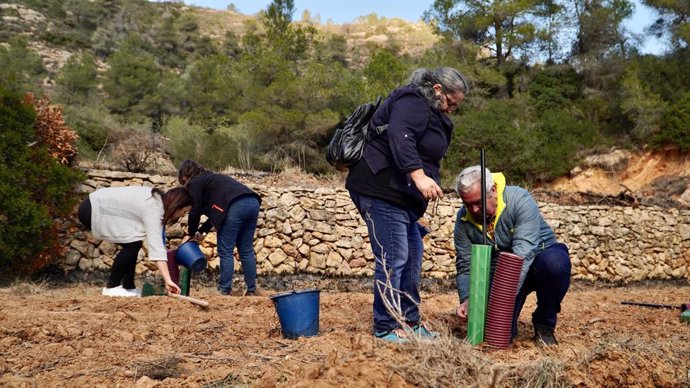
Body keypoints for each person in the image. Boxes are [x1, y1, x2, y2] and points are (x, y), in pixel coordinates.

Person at [346, 67, 469, 343]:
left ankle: (410, 323)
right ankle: (386, 326)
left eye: (455, 106)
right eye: (450, 102)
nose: (451, 109)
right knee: (394, 258)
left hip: (402, 198)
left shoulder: (431, 111)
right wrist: (418, 175)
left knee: (412, 258)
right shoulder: (412, 99)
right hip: (381, 189)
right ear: (437, 89)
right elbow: (401, 134)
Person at [453, 166, 572, 345]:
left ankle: (544, 323)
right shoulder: (463, 220)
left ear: (493, 190)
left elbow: (522, 253)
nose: (474, 210)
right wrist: (468, 299)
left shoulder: (520, 200)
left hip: (536, 260)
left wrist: (499, 301)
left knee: (555, 264)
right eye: (467, 204)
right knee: (496, 336)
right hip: (501, 272)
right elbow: (465, 264)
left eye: (478, 202)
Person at [77, 186, 191, 297]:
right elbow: (156, 248)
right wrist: (168, 280)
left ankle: (128, 287)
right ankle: (111, 287)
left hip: (95, 203)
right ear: (177, 205)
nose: (183, 215)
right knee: (131, 246)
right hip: (94, 208)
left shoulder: (156, 200)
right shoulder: (155, 209)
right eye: (184, 211)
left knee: (133, 243)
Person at [177, 160, 262, 296]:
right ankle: (252, 290)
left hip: (235, 205)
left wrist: (191, 233)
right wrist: (201, 231)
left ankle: (224, 290)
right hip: (252, 201)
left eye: (183, 182)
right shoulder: (211, 180)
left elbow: (195, 210)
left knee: (225, 250)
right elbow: (215, 214)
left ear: (185, 176)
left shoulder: (195, 182)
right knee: (246, 250)